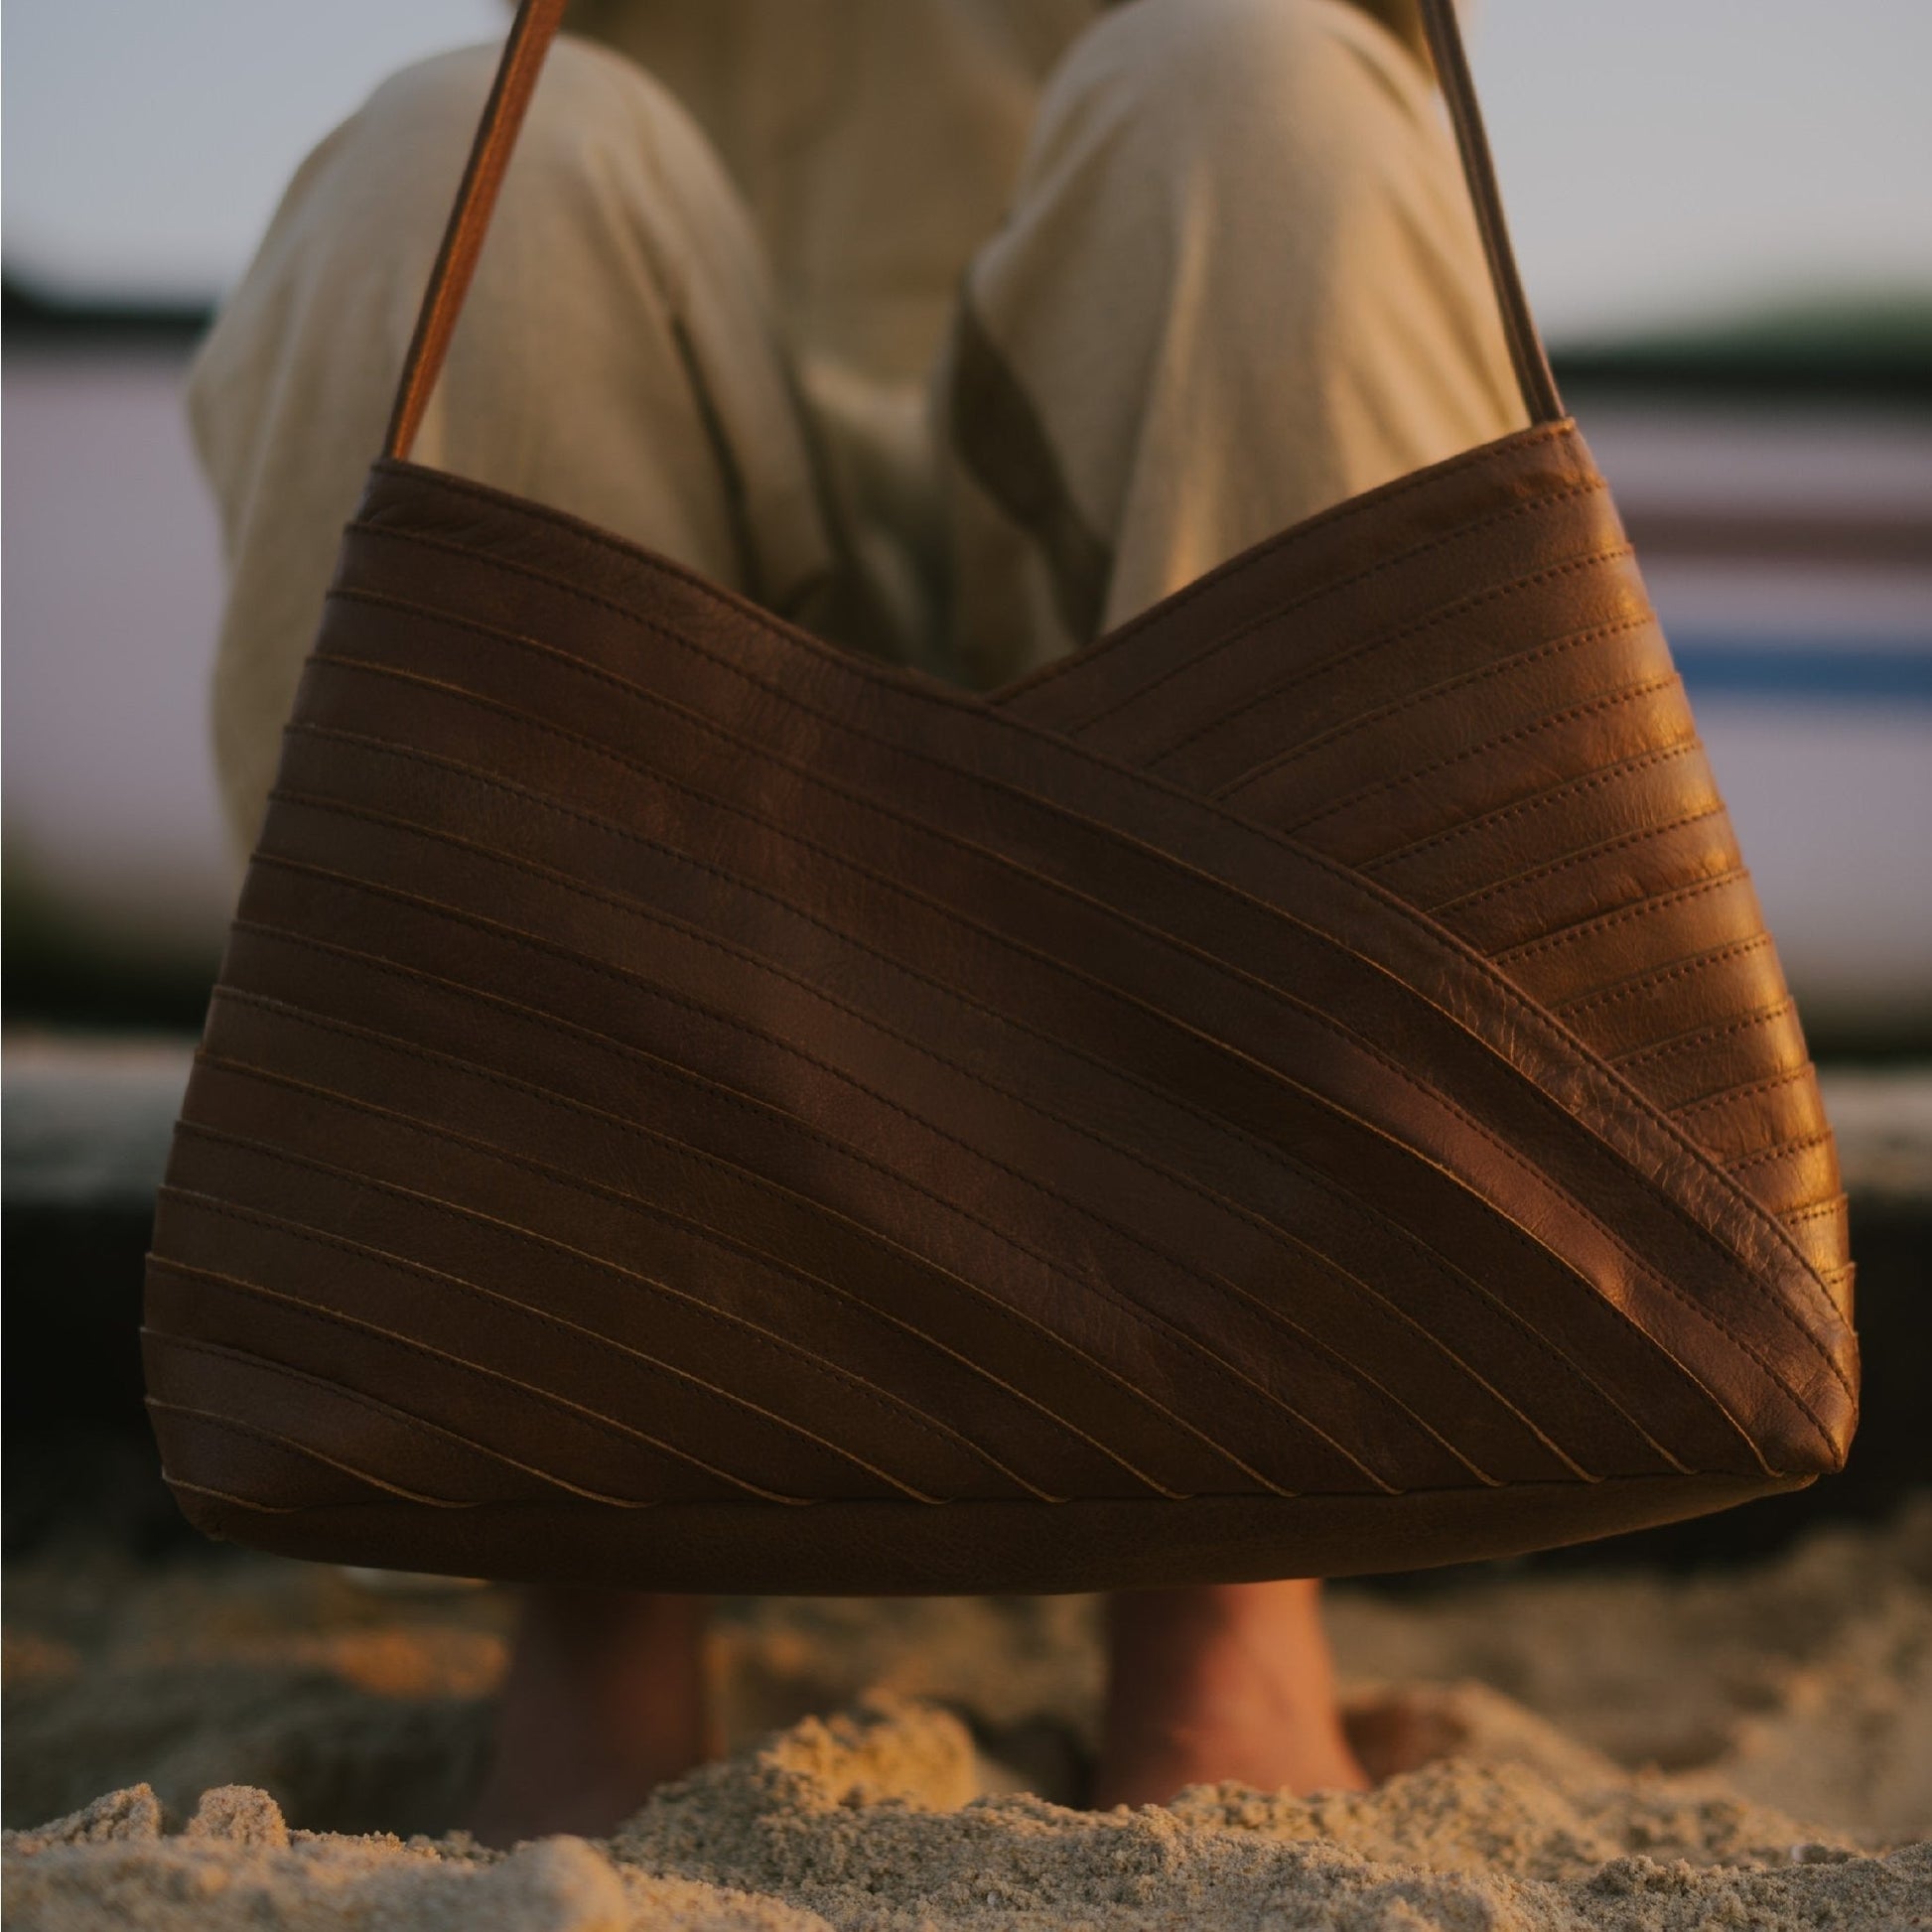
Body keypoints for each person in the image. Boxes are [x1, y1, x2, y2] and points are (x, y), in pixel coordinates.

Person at [184, 0, 1524, 1842]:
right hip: (670, 425)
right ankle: (588, 1579)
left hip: (1114, 417)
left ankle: (1231, 1582)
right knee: (459, 160)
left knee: (1260, 87)